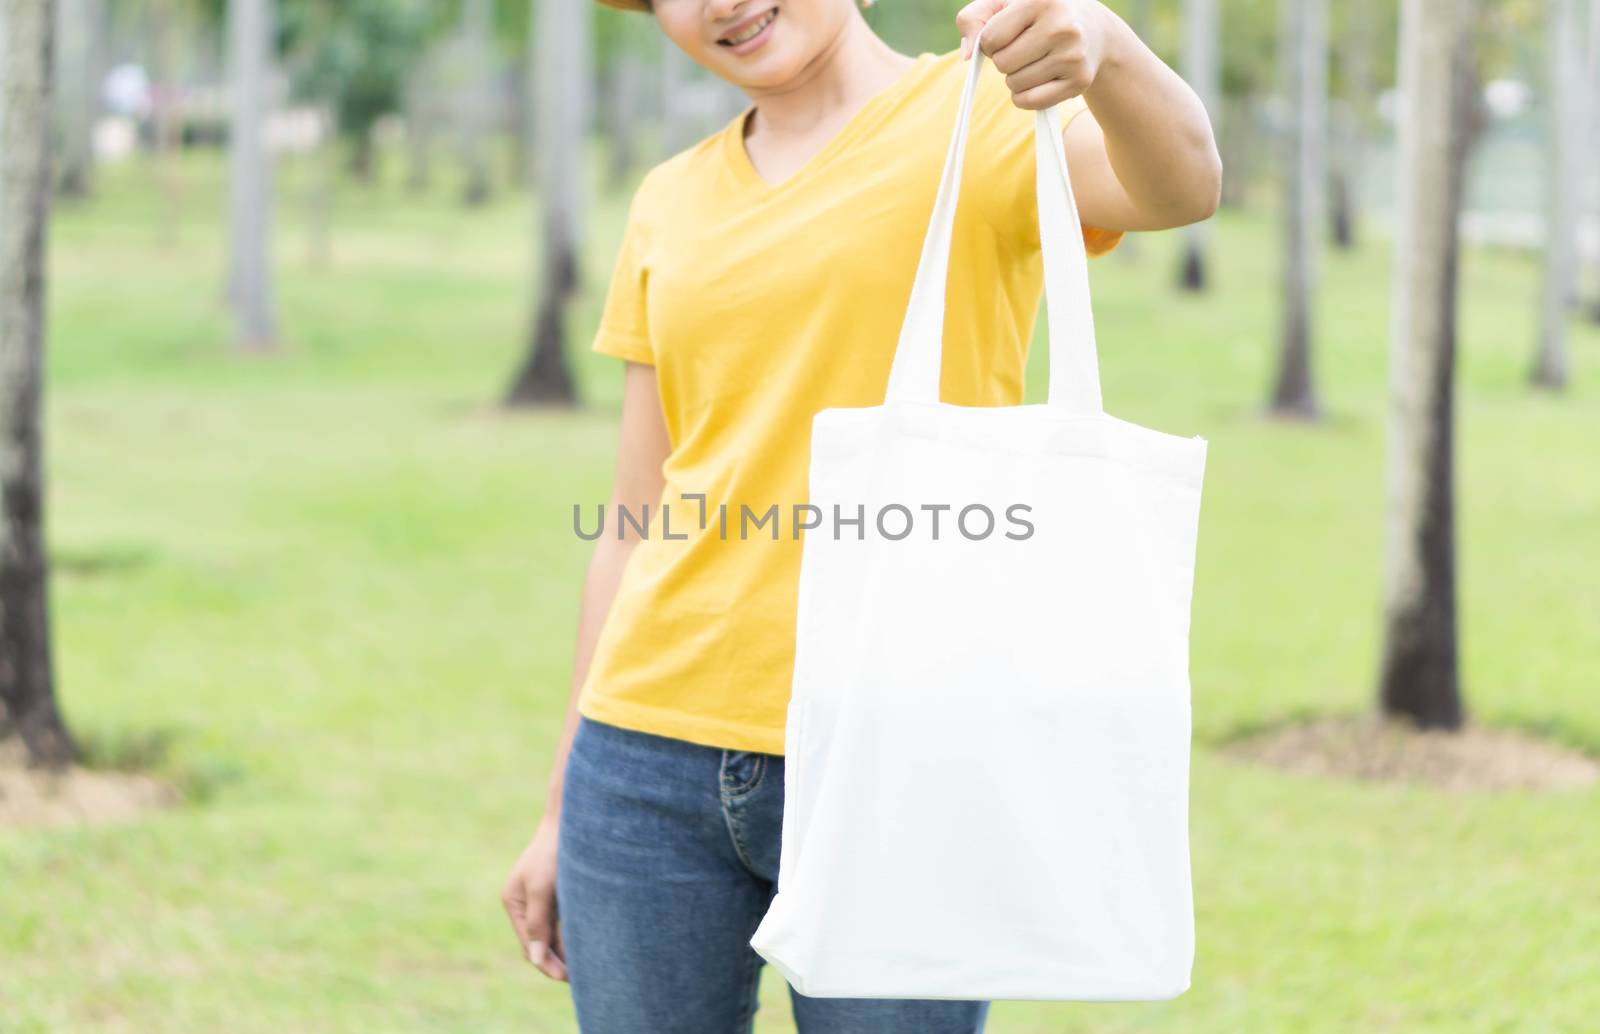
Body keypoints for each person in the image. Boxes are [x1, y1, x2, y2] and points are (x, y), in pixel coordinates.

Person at [502, 0, 1220, 1029]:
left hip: (897, 754)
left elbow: (1183, 180)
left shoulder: (980, 119)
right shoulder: (670, 198)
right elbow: (633, 522)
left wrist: (1103, 43)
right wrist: (561, 802)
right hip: (645, 761)